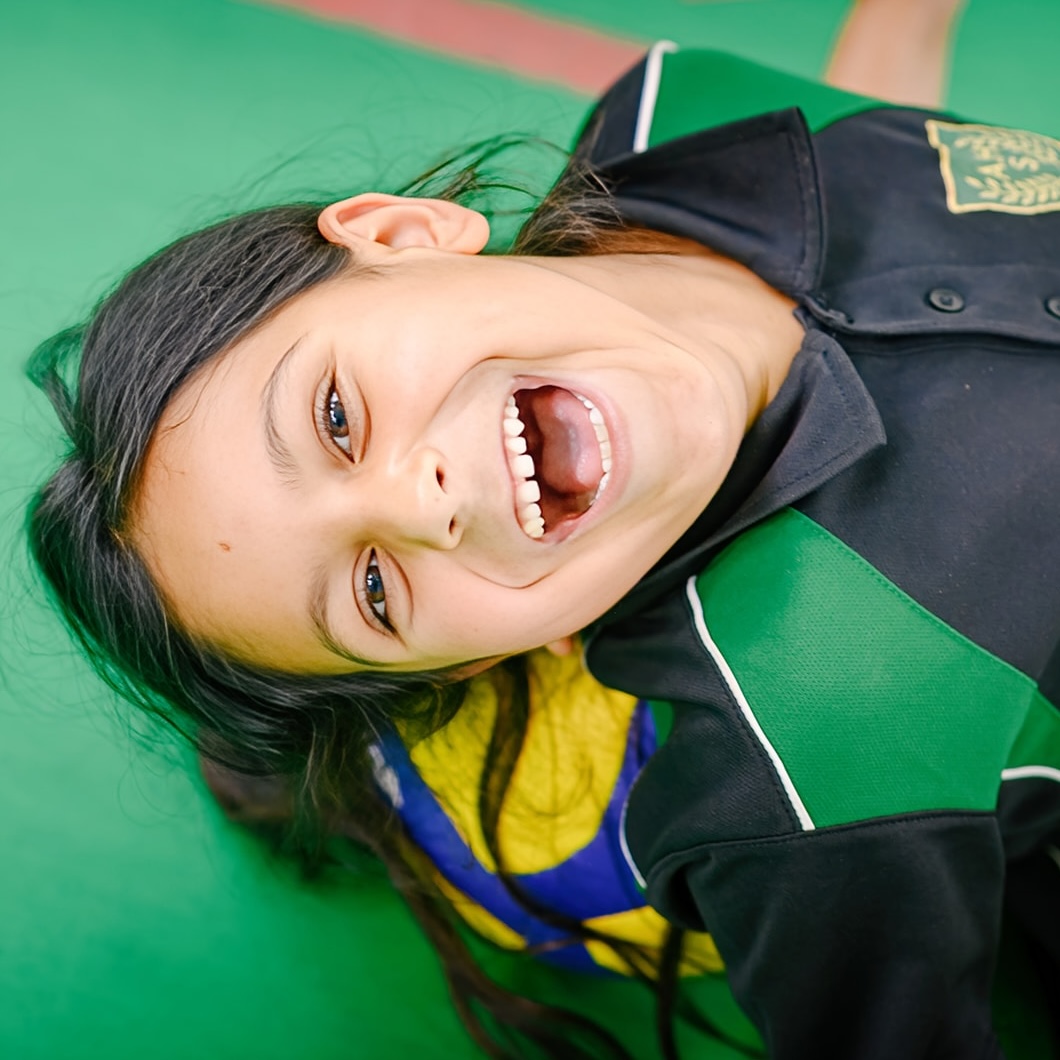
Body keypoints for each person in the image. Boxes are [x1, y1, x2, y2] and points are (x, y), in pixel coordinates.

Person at [26, 9, 1060, 1060]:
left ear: (404, 236)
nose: (418, 505)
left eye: (335, 418)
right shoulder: (811, 777)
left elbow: (891, 135)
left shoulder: (680, 108)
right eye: (375, 591)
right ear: (490, 651)